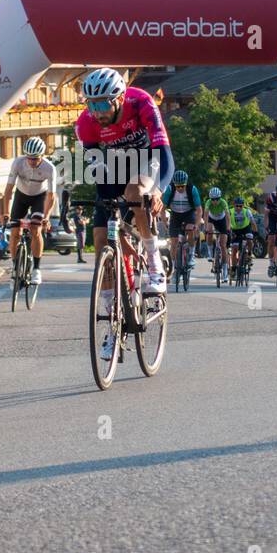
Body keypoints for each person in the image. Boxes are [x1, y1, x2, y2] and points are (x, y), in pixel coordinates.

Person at [75, 67, 173, 362]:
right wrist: (113, 224)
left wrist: (157, 190)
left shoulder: (141, 103)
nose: (97, 111)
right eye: (91, 104)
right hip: (113, 168)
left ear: (118, 99)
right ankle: (111, 326)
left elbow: (165, 155)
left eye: (103, 104)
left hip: (149, 161)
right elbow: (99, 172)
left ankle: (153, 259)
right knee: (102, 242)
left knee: (134, 193)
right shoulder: (86, 125)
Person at [2, 136, 56, 285]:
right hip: (21, 196)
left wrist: (47, 217)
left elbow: (51, 196)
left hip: (40, 197)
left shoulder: (49, 168)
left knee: (35, 229)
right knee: (14, 233)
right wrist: (6, 212)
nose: (32, 162)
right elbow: (8, 190)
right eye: (29, 158)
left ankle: (37, 269)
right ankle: (15, 266)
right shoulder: (18, 163)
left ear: (42, 156)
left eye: (35, 159)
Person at [162, 170, 203, 275]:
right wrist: (164, 223)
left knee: (190, 229)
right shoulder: (170, 190)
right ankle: (172, 266)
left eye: (182, 186)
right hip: (175, 214)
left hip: (189, 214)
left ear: (186, 184)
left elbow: (199, 210)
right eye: (178, 186)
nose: (180, 188)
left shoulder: (192, 189)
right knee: (174, 242)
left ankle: (192, 254)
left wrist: (196, 225)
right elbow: (162, 208)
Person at [203, 187, 230, 282]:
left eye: (217, 199)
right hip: (212, 219)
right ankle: (210, 252)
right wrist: (205, 227)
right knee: (209, 230)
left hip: (222, 221)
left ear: (220, 198)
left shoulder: (223, 202)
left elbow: (227, 216)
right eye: (213, 199)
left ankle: (225, 272)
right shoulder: (208, 202)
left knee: (223, 245)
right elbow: (205, 215)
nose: (215, 201)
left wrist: (228, 228)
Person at [227, 196, 255, 278]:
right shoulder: (230, 211)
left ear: (243, 206)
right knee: (234, 249)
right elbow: (226, 222)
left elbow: (253, 222)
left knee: (250, 239)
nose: (238, 208)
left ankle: (249, 254)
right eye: (237, 206)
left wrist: (255, 232)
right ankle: (234, 268)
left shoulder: (247, 211)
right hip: (235, 230)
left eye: (240, 206)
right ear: (234, 205)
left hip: (246, 228)